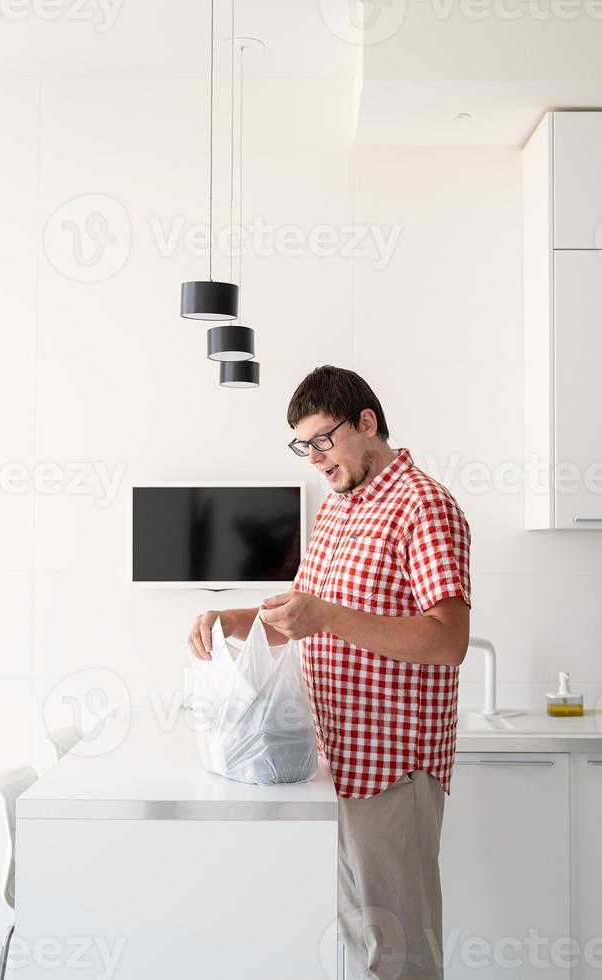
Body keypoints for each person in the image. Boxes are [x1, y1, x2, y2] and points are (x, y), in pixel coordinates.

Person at [188, 364, 472, 980]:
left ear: (367, 423)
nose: (315, 457)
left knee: (400, 955)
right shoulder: (340, 508)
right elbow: (303, 612)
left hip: (393, 764)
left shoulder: (422, 506)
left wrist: (331, 617)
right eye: (304, 445)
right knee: (363, 944)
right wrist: (230, 618)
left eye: (324, 439)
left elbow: (449, 640)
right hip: (337, 761)